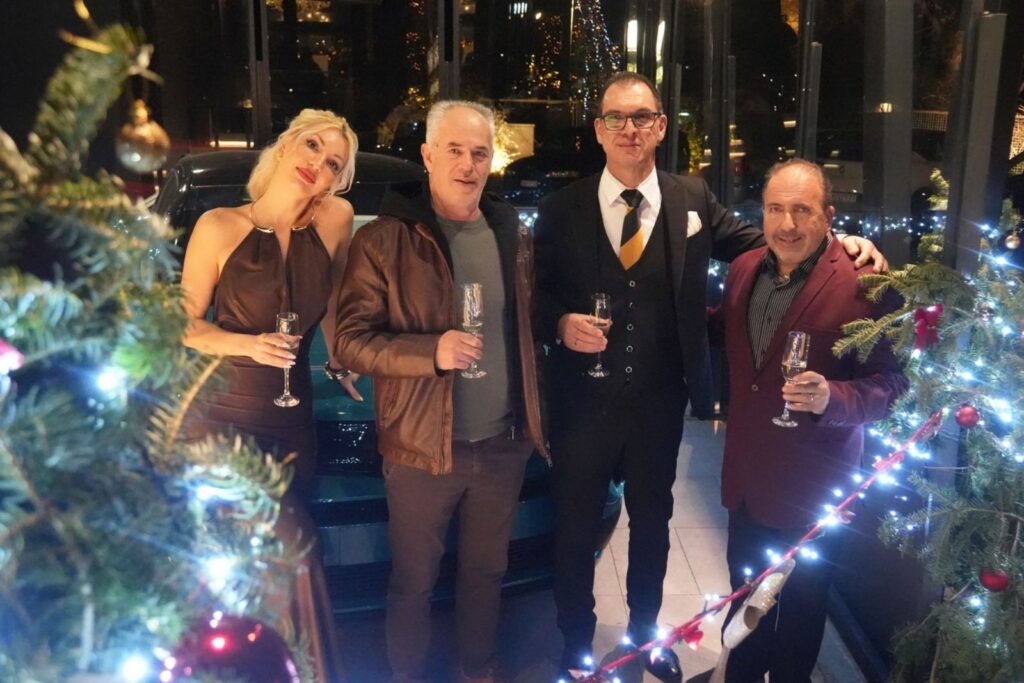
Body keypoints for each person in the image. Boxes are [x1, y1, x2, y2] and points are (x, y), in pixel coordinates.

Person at [532, 71, 887, 678]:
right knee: (573, 527)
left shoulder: (692, 199)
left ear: (660, 127)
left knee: (653, 527)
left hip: (658, 404)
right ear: (598, 129)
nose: (629, 129)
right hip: (581, 405)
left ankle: (647, 638)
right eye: (616, 117)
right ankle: (575, 642)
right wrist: (560, 323)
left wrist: (842, 240)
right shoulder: (560, 208)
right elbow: (534, 298)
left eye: (642, 117)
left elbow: (773, 241)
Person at [333, 100, 547, 683]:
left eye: (480, 152)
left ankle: (478, 670)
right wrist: (431, 352)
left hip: (501, 445)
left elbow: (526, 325)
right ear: (427, 155)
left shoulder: (511, 232)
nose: (468, 164)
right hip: (422, 449)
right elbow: (349, 342)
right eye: (454, 150)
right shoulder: (384, 239)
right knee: (413, 582)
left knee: (486, 575)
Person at [181, 108, 362, 682]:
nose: (318, 164)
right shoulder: (219, 226)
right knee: (291, 547)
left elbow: (331, 297)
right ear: (285, 146)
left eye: (333, 162)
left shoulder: (335, 220)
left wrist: (338, 358)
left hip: (292, 418)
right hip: (223, 418)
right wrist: (249, 346)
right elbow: (184, 326)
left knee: (271, 567)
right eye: (312, 146)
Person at [712, 159, 907, 682]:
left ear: (828, 216)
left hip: (815, 489)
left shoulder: (868, 283)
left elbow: (893, 384)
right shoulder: (743, 269)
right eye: (775, 209)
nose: (787, 224)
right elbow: (730, 339)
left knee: (800, 614)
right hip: (747, 479)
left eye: (802, 210)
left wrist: (833, 397)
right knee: (744, 604)